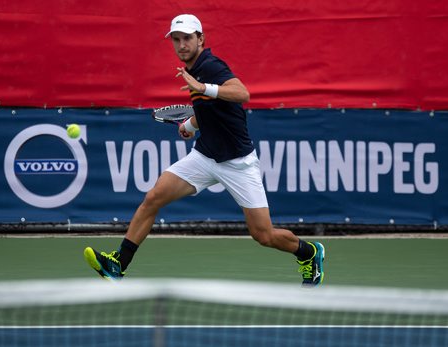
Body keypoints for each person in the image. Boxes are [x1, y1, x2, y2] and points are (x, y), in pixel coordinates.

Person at [84, 14, 325, 287]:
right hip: (204, 156)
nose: (181, 44)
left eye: (187, 38)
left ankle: (310, 253)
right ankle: (119, 264)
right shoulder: (192, 70)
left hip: (238, 162)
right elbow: (209, 109)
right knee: (153, 198)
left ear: (201, 39)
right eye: (176, 39)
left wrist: (204, 87)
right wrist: (190, 124)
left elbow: (241, 94)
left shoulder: (210, 66)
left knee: (264, 235)